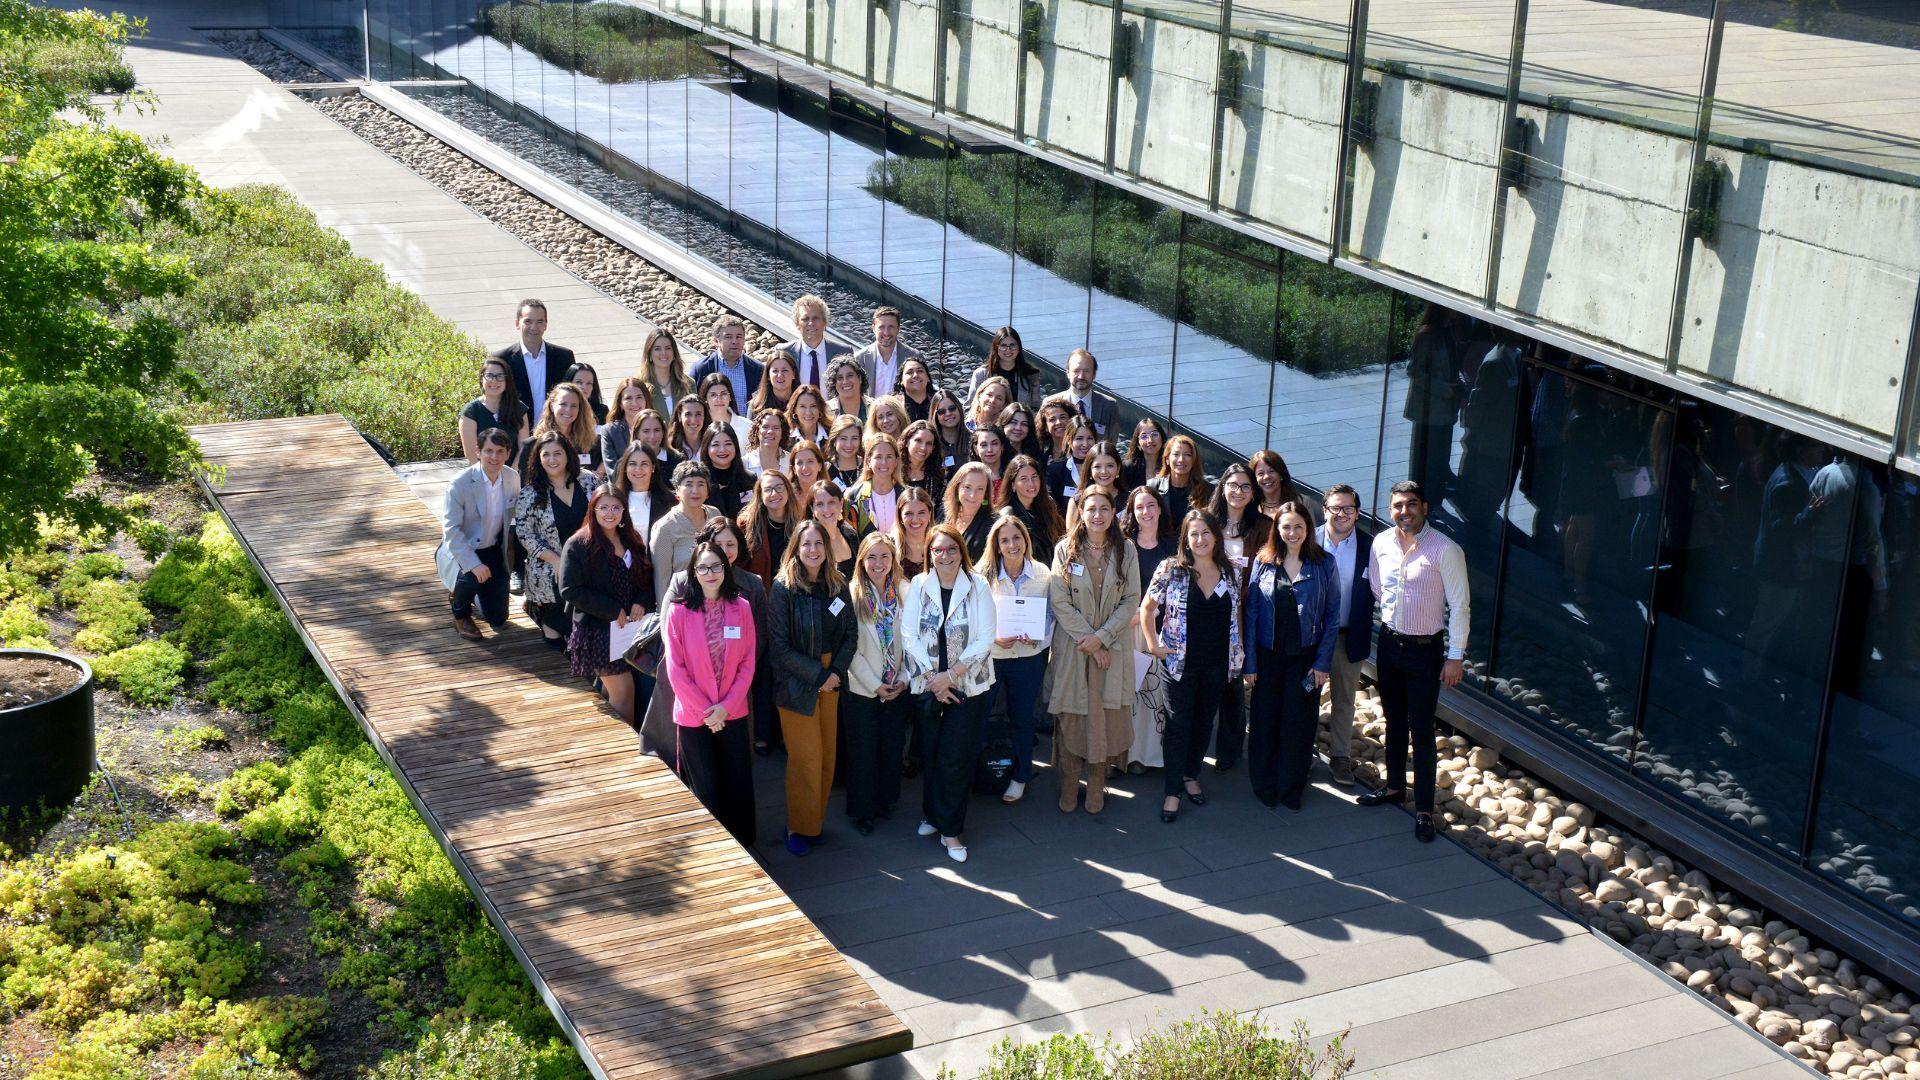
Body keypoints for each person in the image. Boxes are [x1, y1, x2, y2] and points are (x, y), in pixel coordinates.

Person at [1362, 480, 1470, 844]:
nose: (1404, 511)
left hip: (1426, 651)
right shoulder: (1380, 543)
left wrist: (1454, 657)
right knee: (1393, 720)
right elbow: (1377, 588)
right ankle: (1394, 787)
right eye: (1397, 506)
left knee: (1421, 729)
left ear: (1424, 507)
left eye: (1411, 504)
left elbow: (1460, 606)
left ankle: (1424, 809)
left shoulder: (1446, 550)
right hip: (1390, 645)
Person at [902, 523, 998, 862]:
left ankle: (951, 831)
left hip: (967, 688)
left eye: (951, 549)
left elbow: (986, 637)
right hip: (928, 687)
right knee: (931, 754)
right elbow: (909, 635)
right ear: (929, 553)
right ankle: (932, 814)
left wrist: (951, 676)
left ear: (962, 552)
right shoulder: (918, 584)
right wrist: (934, 678)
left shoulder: (978, 586)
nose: (945, 555)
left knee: (955, 759)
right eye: (938, 550)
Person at [1140, 508, 1240, 823]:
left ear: (1216, 536)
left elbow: (1237, 615)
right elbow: (1148, 608)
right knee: (1178, 724)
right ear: (1186, 538)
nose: (1200, 539)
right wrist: (1153, 644)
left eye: (1206, 533)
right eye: (1194, 534)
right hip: (1179, 664)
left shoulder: (1230, 570)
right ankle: (1172, 790)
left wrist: (1239, 654)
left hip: (1216, 663)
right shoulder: (1172, 569)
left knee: (1203, 722)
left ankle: (1190, 774)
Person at [1047, 484, 1139, 814]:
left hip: (1110, 650)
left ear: (1113, 512)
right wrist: (1090, 640)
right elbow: (1060, 601)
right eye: (1091, 509)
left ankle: (1098, 783)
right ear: (1081, 514)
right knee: (1073, 715)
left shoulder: (1126, 551)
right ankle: (1070, 782)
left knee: (1104, 718)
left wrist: (1102, 638)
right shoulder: (1064, 550)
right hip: (1074, 648)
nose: (1097, 515)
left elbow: (1131, 601)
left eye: (1104, 508)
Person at [1245, 502, 1341, 811]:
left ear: (1308, 529)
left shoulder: (1324, 563)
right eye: (1286, 527)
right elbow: (1251, 612)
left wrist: (1322, 663)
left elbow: (1332, 617)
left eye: (1299, 526)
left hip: (1305, 658)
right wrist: (1250, 662)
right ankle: (1265, 784)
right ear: (1277, 530)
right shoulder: (1264, 561)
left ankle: (1291, 788)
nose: (1292, 532)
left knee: (1298, 724)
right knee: (1265, 721)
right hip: (1268, 655)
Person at [769, 519, 857, 856]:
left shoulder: (837, 584)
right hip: (798, 683)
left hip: (832, 678)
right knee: (806, 759)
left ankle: (813, 823)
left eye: (818, 544)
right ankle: (797, 826)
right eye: (806, 544)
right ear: (795, 547)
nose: (813, 550)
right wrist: (819, 676)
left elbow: (850, 633)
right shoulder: (783, 589)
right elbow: (779, 647)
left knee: (826, 759)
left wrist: (834, 672)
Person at [662, 539, 757, 844]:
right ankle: (712, 846)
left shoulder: (741, 607)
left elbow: (747, 662)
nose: (710, 573)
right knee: (707, 788)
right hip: (694, 717)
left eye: (716, 566)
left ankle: (743, 845)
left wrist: (725, 708)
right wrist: (708, 712)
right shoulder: (678, 613)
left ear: (725, 569)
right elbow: (675, 669)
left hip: (732, 712)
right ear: (694, 572)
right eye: (703, 567)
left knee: (737, 783)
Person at [558, 490, 653, 725]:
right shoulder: (578, 544)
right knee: (624, 693)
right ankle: (628, 747)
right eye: (603, 507)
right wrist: (611, 609)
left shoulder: (632, 539)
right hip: (598, 631)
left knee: (619, 693)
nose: (610, 513)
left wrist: (641, 601)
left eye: (616, 508)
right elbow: (569, 589)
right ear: (593, 510)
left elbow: (646, 579)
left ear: (623, 511)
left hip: (629, 631)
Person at [843, 532, 912, 834]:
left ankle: (887, 800)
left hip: (897, 685)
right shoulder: (851, 595)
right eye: (872, 556)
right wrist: (875, 685)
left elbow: (915, 641)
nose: (878, 563)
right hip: (863, 688)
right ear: (861, 561)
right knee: (863, 750)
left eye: (885, 556)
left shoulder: (906, 592)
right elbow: (850, 649)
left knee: (891, 745)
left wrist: (905, 679)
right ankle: (863, 811)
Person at [982, 513, 1052, 805]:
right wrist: (992, 639)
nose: (1012, 545)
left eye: (1017, 538)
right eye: (1005, 540)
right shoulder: (981, 576)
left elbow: (1052, 616)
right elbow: (974, 620)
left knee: (1023, 718)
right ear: (996, 545)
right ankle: (978, 771)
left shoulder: (1043, 574)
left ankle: (1021, 775)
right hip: (992, 658)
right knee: (980, 715)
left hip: (1029, 659)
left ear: (1026, 540)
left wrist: (1041, 637)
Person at [1206, 462, 1271, 773]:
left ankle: (1229, 750)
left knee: (1232, 682)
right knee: (1204, 675)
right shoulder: (1207, 520)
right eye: (1233, 485)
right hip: (1206, 606)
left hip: (1242, 612)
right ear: (1223, 487)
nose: (1239, 491)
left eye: (1246, 487)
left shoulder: (1263, 528)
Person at [514, 430, 597, 649]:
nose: (552, 460)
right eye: (546, 454)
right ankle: (552, 624)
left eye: (558, 453)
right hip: (550, 563)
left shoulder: (589, 481)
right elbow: (524, 534)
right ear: (538, 459)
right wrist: (556, 560)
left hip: (589, 558)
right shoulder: (530, 493)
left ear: (568, 454)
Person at [437, 429, 520, 640]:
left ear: (508, 453)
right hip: (462, 548)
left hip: (493, 549)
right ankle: (460, 611)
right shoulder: (460, 483)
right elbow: (451, 531)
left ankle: (472, 592)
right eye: (489, 451)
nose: (494, 457)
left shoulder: (512, 478)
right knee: (472, 575)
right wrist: (473, 564)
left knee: (498, 618)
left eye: (500, 451)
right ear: (478, 451)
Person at [1317, 483, 1374, 787]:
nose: (1341, 514)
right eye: (1335, 508)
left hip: (1349, 635)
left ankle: (1340, 755)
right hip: (1311, 636)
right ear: (1324, 509)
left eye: (1348, 509)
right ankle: (1299, 749)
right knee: (1304, 693)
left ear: (1357, 512)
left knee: (1344, 699)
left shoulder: (1371, 546)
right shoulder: (1308, 539)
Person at [1123, 486, 1175, 773]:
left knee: (1156, 697)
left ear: (1159, 508)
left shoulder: (1172, 546)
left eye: (1151, 505)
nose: (1146, 512)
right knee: (1132, 694)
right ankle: (1130, 756)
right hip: (1129, 629)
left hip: (1161, 628)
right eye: (1140, 507)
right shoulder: (1123, 544)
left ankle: (1154, 755)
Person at [1403, 303, 1467, 497]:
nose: (1457, 314)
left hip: (1446, 409)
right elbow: (1414, 371)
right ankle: (1418, 497)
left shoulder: (1450, 334)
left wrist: (1461, 387)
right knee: (1424, 459)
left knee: (1440, 454)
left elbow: (1454, 368)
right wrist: (1442, 389)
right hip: (1428, 409)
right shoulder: (1427, 335)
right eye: (1454, 309)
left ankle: (1435, 496)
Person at [493, 298, 574, 417]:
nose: (534, 327)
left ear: (546, 325)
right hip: (518, 431)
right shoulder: (502, 359)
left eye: (540, 322)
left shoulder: (564, 357)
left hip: (555, 432)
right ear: (517, 324)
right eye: (528, 321)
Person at [650, 461, 715, 607]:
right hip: (683, 605)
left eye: (700, 484)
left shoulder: (715, 515)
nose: (695, 490)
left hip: (716, 600)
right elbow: (662, 580)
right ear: (677, 490)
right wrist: (665, 616)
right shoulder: (665, 527)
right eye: (688, 484)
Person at [738, 469, 800, 590]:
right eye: (768, 490)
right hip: (761, 595)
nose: (774, 493)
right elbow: (740, 565)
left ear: (788, 490)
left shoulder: (799, 523)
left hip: (793, 593)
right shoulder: (746, 524)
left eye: (779, 487)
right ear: (760, 495)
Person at [460, 357, 530, 462]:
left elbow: (523, 449)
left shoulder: (519, 408)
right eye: (489, 376)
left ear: (507, 380)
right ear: (481, 379)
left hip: (513, 474)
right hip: (480, 475)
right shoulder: (471, 411)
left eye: (500, 376)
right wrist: (489, 477)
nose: (494, 380)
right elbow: (471, 455)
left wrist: (511, 474)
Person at [527, 382, 603, 479]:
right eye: (563, 404)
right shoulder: (532, 445)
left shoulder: (592, 442)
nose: (568, 410)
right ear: (552, 406)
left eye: (574, 406)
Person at [690, 313, 764, 406]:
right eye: (728, 337)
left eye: (739, 337)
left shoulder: (758, 370)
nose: (735, 341)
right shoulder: (701, 370)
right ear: (716, 341)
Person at [998, 454, 1065, 556]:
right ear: (1013, 485)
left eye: (1034, 477)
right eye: (1024, 479)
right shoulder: (1008, 514)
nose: (1031, 484)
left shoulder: (1048, 505)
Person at [781, 294, 852, 388]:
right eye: (805, 319)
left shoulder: (843, 352)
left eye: (815, 318)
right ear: (797, 324)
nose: (811, 323)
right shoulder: (784, 352)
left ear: (824, 322)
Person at [851, 305, 921, 399]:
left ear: (898, 329)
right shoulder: (860, 358)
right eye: (881, 327)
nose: (886, 333)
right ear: (873, 328)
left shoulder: (913, 356)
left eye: (891, 327)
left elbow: (923, 392)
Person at [608, 442, 669, 548]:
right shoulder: (613, 500)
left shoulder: (668, 501)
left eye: (644, 464)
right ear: (625, 468)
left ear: (653, 467)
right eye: (632, 464)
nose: (638, 469)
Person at [968, 326, 1044, 409]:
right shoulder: (981, 374)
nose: (1008, 350)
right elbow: (970, 405)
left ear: (1019, 347)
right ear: (996, 348)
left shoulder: (1031, 374)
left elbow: (1036, 407)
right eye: (1003, 346)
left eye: (1012, 345)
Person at [1149, 434, 1212, 528]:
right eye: (1176, 454)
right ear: (1167, 459)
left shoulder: (1208, 490)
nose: (1181, 459)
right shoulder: (1153, 487)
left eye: (1187, 455)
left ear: (1194, 460)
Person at [847, 432, 904, 533]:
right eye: (878, 457)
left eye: (889, 457)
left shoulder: (906, 495)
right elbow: (850, 537)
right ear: (869, 461)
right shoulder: (854, 497)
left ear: (896, 461)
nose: (884, 462)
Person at [804, 479, 862, 580]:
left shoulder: (850, 533)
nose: (826, 509)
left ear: (841, 504)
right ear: (812, 508)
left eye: (831, 502)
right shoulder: (807, 541)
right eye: (820, 504)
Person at [943, 461, 995, 562]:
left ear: (986, 493)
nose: (972, 495)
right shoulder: (942, 514)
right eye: (967, 487)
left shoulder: (994, 524)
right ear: (957, 487)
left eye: (980, 489)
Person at [1061, 348, 1118, 437]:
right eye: (1076, 371)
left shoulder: (1109, 405)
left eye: (1086, 371)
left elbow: (1111, 443)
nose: (1081, 376)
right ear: (1067, 372)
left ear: (1094, 374)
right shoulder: (1052, 403)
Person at [639, 327, 694, 418]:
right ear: (649, 354)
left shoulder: (688, 384)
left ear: (674, 353)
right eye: (657, 349)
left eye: (668, 348)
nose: (663, 353)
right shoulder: (639, 386)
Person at [701, 424, 754, 519]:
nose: (722, 450)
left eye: (728, 444)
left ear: (735, 447)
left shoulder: (749, 479)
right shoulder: (700, 481)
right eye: (715, 445)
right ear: (706, 448)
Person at [598, 376, 652, 466]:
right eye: (628, 398)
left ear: (646, 400)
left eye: (639, 397)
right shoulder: (610, 431)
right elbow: (612, 470)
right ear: (620, 404)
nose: (634, 403)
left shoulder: (657, 427)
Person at [1047, 416, 1096, 508]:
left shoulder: (1100, 470)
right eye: (1079, 438)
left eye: (1090, 438)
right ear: (1069, 440)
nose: (1085, 444)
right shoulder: (1055, 469)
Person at [699, 372, 754, 450]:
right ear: (705, 399)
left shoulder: (748, 427)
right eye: (713, 395)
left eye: (723, 394)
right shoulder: (698, 427)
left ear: (730, 397)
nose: (719, 399)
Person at [892, 486, 936, 579]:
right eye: (908, 513)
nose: (915, 520)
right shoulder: (889, 545)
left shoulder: (940, 543)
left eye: (921, 513)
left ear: (930, 513)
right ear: (900, 517)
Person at [901, 421, 946, 499]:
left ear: (933, 448)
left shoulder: (938, 476)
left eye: (928, 443)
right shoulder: (894, 471)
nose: (923, 448)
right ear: (906, 442)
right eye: (918, 440)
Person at [749, 351, 800, 418]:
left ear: (793, 374)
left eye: (785, 370)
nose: (780, 375)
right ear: (768, 376)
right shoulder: (756, 405)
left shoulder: (804, 402)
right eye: (775, 371)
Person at [1122, 418, 1166, 492]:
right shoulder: (1128, 467)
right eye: (1144, 436)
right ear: (1138, 443)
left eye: (1155, 434)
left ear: (1162, 438)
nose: (1150, 440)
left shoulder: (1169, 466)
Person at [1250, 449, 1297, 518]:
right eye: (1260, 474)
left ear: (1281, 474)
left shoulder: (1301, 502)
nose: (1266, 477)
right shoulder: (1249, 508)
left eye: (1271, 471)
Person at [825, 357, 873, 423]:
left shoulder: (875, 406)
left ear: (860, 378)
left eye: (850, 376)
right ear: (833, 383)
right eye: (840, 378)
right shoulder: (826, 411)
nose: (845, 381)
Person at [746, 408, 791, 477]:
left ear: (783, 433)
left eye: (776, 428)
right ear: (757, 431)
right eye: (765, 427)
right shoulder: (745, 463)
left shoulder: (791, 461)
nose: (770, 431)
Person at [826, 414, 866, 491]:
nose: (849, 444)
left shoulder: (868, 465)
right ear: (834, 440)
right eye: (843, 438)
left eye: (854, 438)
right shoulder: (826, 470)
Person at [932, 390, 970, 468]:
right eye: (941, 411)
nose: (948, 413)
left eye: (952, 408)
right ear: (935, 415)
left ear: (959, 408)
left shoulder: (972, 440)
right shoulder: (930, 442)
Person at [665, 396, 708, 463]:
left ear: (704, 416)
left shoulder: (713, 444)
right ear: (679, 416)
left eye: (698, 414)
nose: (693, 420)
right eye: (688, 414)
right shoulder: (670, 447)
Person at [896, 355, 936, 425]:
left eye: (920, 371)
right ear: (901, 380)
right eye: (909, 372)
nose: (915, 375)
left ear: (928, 378)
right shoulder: (894, 405)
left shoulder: (940, 402)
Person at [787, 384, 830, 448]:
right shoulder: (785, 437)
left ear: (820, 408)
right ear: (794, 409)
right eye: (802, 406)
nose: (808, 412)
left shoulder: (832, 435)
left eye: (813, 406)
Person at [1037, 399, 1073, 463]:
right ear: (1045, 426)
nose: (1058, 422)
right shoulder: (1040, 451)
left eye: (1062, 417)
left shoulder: (1078, 449)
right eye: (1052, 419)